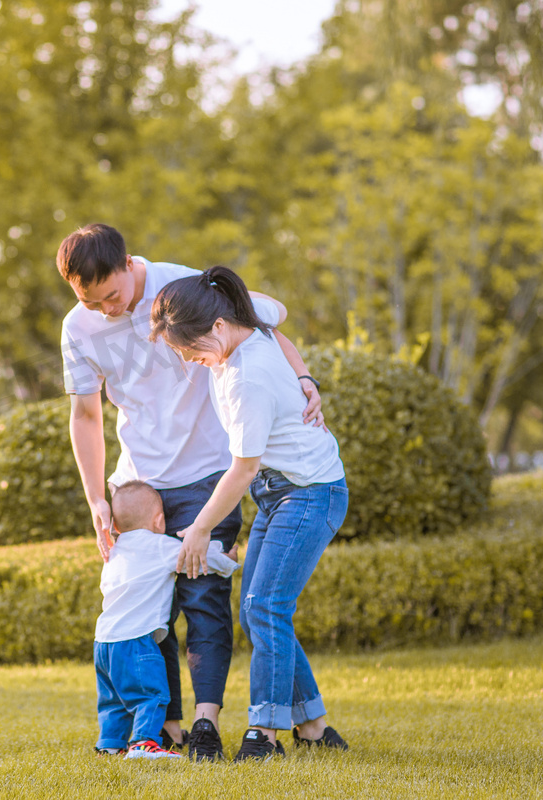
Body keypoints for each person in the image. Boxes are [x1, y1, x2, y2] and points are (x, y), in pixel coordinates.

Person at [58, 223, 324, 760]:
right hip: (136, 484)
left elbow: (264, 324)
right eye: (91, 301)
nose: (106, 309)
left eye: (112, 295)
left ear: (129, 263)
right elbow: (85, 415)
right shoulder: (78, 327)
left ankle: (206, 724)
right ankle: (166, 727)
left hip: (208, 472)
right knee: (146, 608)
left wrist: (304, 378)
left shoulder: (183, 287)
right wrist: (96, 499)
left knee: (205, 602)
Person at [149, 264, 351, 763]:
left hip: (309, 492)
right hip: (281, 491)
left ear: (217, 327)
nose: (191, 361)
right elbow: (273, 317)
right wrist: (304, 376)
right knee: (260, 607)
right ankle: (315, 727)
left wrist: (199, 530)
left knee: (265, 606)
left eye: (190, 350)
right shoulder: (237, 321)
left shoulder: (247, 378)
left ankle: (264, 733)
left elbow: (241, 470)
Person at [94, 481, 239, 760]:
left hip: (103, 642)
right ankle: (144, 744)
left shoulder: (113, 551)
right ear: (160, 520)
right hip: (137, 640)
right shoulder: (159, 545)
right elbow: (195, 556)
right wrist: (227, 558)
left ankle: (110, 745)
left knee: (113, 701)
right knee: (152, 695)